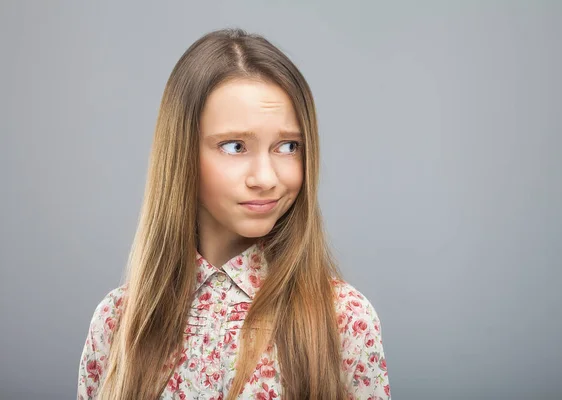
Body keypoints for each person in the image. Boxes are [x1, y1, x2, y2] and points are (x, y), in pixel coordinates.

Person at [77, 28, 390, 400]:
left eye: (288, 146)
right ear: (182, 154)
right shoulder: (117, 323)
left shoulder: (343, 320)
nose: (265, 178)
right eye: (235, 146)